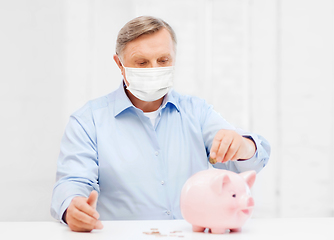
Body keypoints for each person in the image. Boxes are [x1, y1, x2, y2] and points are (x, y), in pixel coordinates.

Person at [50, 16, 270, 232]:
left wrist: (243, 146)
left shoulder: (197, 112)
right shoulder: (88, 121)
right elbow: (73, 181)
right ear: (119, 63)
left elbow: (247, 165)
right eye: (142, 62)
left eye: (163, 61)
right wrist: (72, 208)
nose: (153, 69)